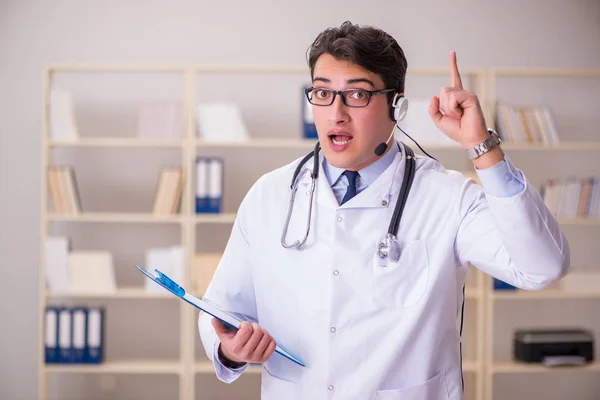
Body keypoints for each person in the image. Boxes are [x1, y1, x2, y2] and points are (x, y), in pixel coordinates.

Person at [198, 21, 570, 400]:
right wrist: (230, 348)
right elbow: (220, 310)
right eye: (323, 93)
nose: (335, 113)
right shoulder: (270, 195)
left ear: (397, 105)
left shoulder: (447, 197)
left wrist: (482, 147)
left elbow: (542, 267)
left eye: (356, 95)